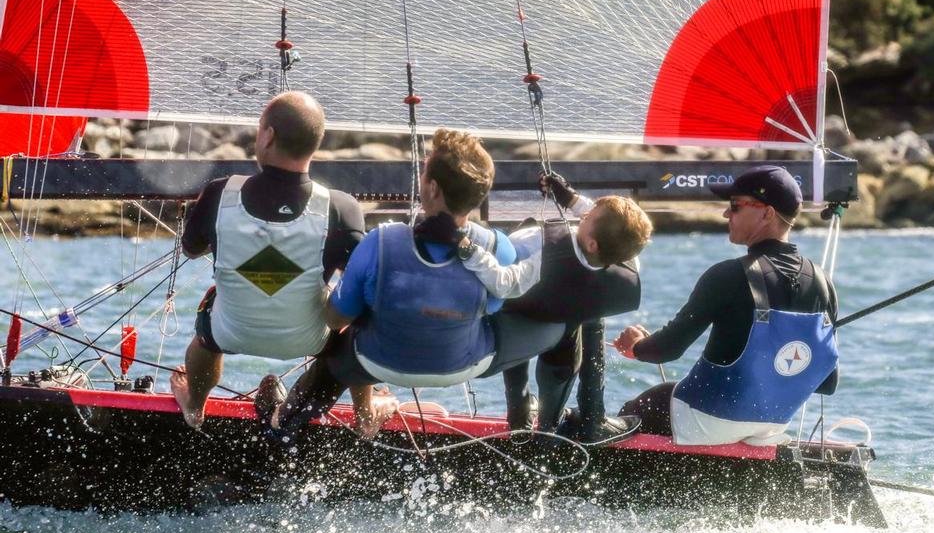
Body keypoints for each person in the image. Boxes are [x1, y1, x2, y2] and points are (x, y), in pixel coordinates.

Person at [258, 128, 566, 441]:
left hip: (378, 362)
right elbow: (497, 305)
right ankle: (545, 430)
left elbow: (335, 318)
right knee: (565, 323)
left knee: (342, 334)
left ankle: (283, 421)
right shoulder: (499, 248)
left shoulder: (379, 243)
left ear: (431, 188)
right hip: (466, 364)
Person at [170, 91, 366, 430]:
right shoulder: (341, 207)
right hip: (311, 339)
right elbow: (362, 285)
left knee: (206, 325)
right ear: (315, 145)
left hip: (229, 332)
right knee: (353, 319)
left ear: (269, 135)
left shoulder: (218, 192)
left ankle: (195, 406)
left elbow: (190, 250)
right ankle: (365, 412)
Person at [613, 165, 838, 446]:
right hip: (773, 427)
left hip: (709, 421)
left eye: (735, 206)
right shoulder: (822, 281)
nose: (725, 213)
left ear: (767, 213)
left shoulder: (727, 275)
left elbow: (666, 349)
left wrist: (636, 347)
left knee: (649, 402)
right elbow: (827, 383)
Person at [452, 172, 652, 443]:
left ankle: (519, 417)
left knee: (518, 310)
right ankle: (566, 424)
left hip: (520, 318)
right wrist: (570, 199)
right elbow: (611, 230)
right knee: (589, 315)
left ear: (593, 241)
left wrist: (467, 248)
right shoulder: (625, 262)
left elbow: (502, 282)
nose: (583, 215)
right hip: (565, 326)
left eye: (587, 217)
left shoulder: (536, 243)